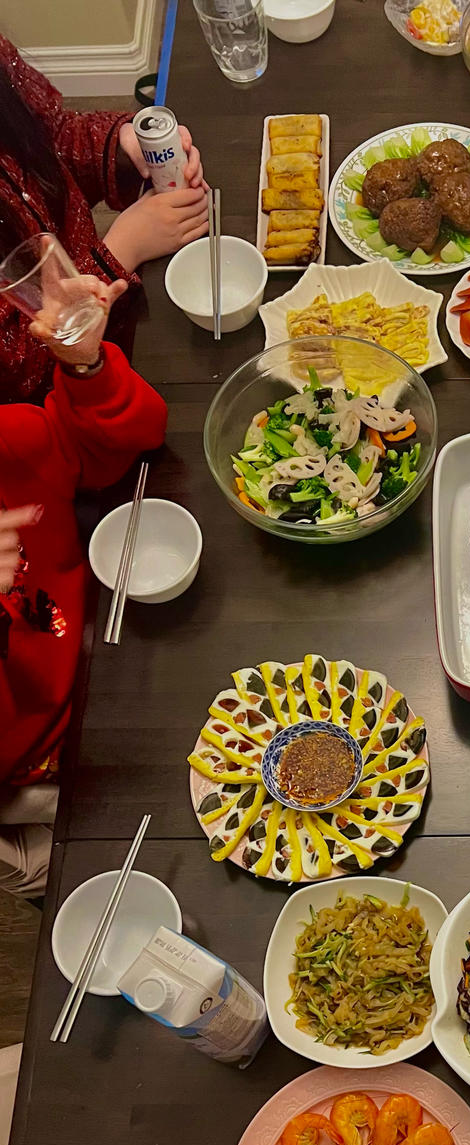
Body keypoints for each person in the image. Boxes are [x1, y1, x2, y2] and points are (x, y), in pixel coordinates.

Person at [0, 273, 167, 896]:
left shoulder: (11, 441)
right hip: (35, 770)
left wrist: (85, 367)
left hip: (109, 657)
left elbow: (122, 443)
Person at [0, 34, 208, 403]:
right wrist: (119, 251)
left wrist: (127, 146)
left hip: (113, 324)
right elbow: (17, 373)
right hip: (68, 391)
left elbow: (49, 135)